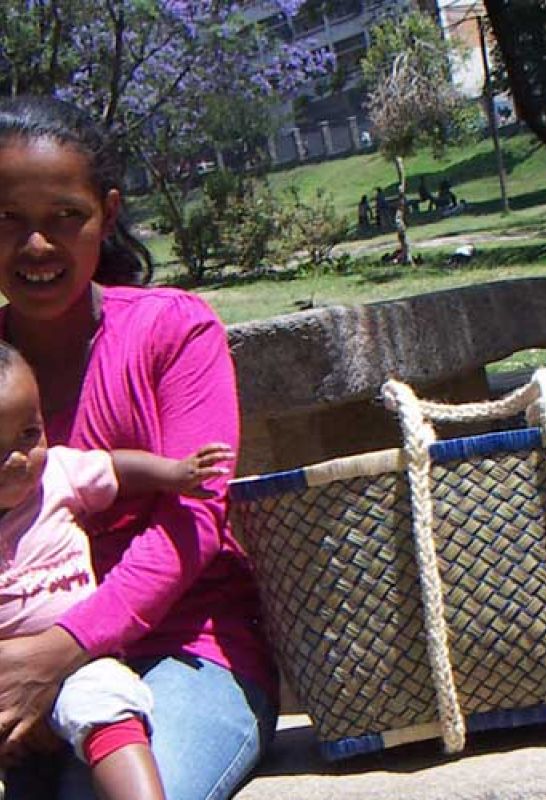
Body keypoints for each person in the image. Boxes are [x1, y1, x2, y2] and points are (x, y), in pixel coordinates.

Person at [0, 94, 279, 800]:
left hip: (186, 652)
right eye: (8, 221)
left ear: (109, 213)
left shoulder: (172, 332)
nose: (37, 247)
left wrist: (57, 654)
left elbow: (193, 521)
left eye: (66, 217)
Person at [0, 341, 235, 800]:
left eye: (30, 434)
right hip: (8, 683)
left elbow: (115, 468)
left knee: (106, 707)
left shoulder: (60, 476)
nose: (17, 460)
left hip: (81, 662)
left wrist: (175, 473)